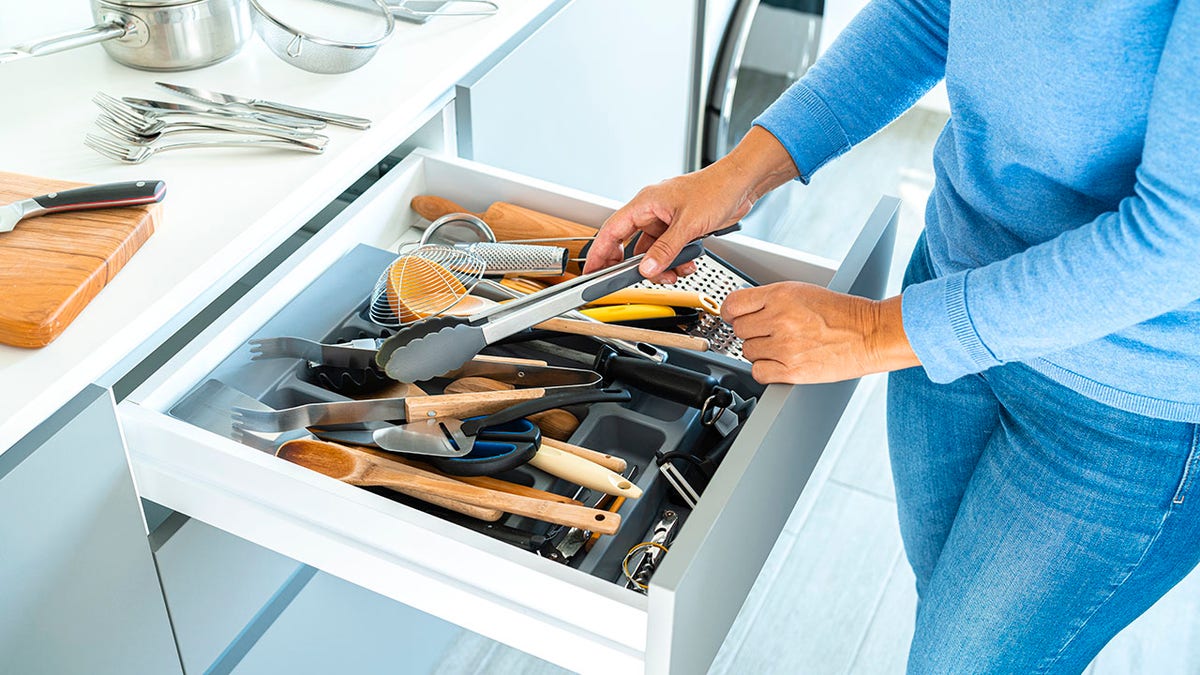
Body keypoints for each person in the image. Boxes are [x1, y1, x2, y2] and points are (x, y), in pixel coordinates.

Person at [583, 0, 1200, 671]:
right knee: (950, 620)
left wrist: (871, 329)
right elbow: (927, 14)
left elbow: (1178, 242)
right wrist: (738, 174)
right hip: (951, 300)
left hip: (1126, 404)